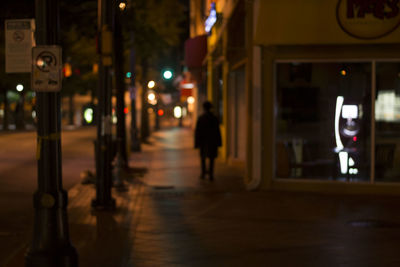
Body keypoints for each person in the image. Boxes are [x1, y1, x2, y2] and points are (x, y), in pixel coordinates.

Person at [195, 101, 222, 180]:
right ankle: (211, 174)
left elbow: (198, 132)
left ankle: (203, 173)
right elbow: (217, 131)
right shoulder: (214, 118)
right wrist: (219, 142)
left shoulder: (201, 118)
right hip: (212, 141)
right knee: (211, 158)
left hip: (203, 141)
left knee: (203, 158)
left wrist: (197, 143)